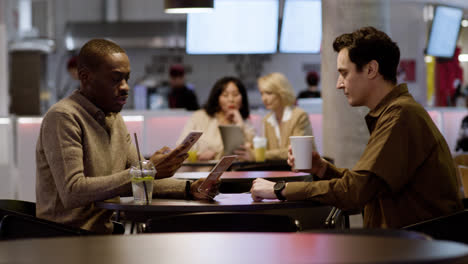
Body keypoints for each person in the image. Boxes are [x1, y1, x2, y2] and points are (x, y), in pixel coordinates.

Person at [250, 27, 462, 228]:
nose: (339, 84)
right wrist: (322, 169)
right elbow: (366, 184)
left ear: (371, 69)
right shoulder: (396, 111)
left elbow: (355, 193)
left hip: (417, 248)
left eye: (344, 73)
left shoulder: (400, 115)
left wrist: (279, 189)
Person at [36, 39, 217, 234]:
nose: (125, 87)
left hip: (104, 235)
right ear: (85, 77)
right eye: (116, 79)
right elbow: (72, 191)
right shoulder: (64, 117)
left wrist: (190, 189)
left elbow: (142, 181)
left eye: (127, 79)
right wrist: (149, 168)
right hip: (65, 240)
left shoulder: (114, 119)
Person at [237, 72, 316, 161]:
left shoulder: (299, 116)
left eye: (269, 93)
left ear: (282, 93)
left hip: (301, 171)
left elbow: (295, 151)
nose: (264, 98)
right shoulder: (266, 120)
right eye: (262, 94)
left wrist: (258, 155)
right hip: (277, 171)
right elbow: (267, 152)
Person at [177, 76, 255, 161]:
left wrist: (240, 124)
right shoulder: (200, 117)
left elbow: (253, 149)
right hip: (201, 170)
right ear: (217, 98)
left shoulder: (245, 122)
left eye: (235, 95)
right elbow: (180, 149)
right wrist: (197, 156)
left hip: (234, 172)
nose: (231, 99)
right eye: (225, 95)